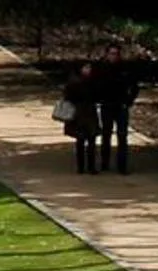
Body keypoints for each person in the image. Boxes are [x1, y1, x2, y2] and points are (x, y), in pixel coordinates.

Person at [91, 42, 141, 174]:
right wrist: (98, 99)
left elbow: (134, 86)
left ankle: (122, 165)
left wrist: (128, 101)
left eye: (117, 54)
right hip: (106, 105)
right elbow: (94, 85)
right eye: (112, 54)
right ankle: (105, 163)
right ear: (107, 54)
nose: (114, 56)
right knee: (106, 134)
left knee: (122, 136)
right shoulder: (101, 68)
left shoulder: (125, 69)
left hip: (121, 106)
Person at [59, 62, 103, 173]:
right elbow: (68, 97)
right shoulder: (74, 82)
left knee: (91, 140)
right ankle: (81, 166)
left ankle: (91, 166)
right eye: (86, 67)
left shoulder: (93, 81)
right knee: (81, 140)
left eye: (89, 68)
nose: (88, 70)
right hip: (79, 114)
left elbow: (97, 95)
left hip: (90, 112)